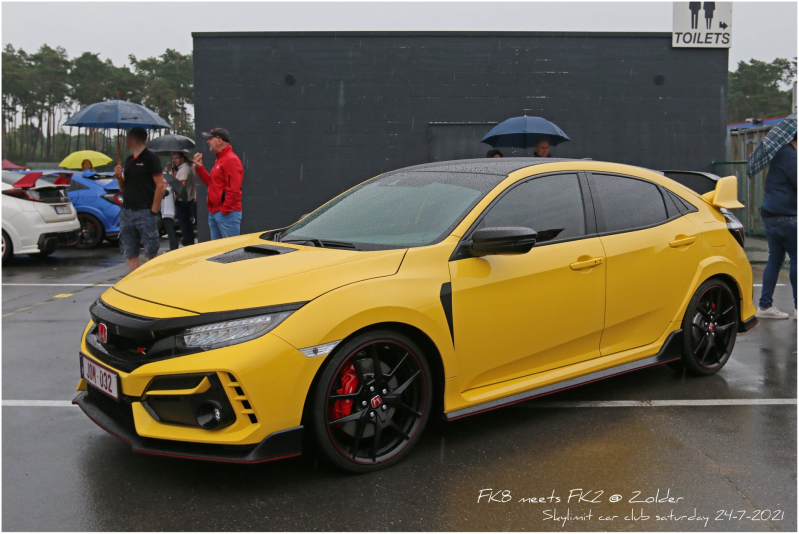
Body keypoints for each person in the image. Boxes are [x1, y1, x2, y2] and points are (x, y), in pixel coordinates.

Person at [756, 134, 797, 319]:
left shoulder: (781, 153)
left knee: (775, 259)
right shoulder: (790, 156)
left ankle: (764, 306)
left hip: (771, 215)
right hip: (786, 216)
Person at [114, 127, 166, 272]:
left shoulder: (151, 158)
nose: (125, 141)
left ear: (132, 139)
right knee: (130, 252)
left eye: (127, 138)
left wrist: (153, 211)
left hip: (145, 211)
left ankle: (153, 281)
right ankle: (134, 281)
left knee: (151, 252)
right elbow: (123, 188)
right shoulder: (129, 160)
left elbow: (160, 186)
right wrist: (119, 177)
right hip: (127, 211)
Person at [192, 128, 243, 240]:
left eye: (210, 138)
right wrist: (200, 168)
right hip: (217, 213)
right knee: (219, 250)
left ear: (219, 141)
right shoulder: (221, 159)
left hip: (226, 214)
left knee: (231, 249)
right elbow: (212, 184)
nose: (208, 141)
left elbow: (234, 190)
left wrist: (224, 211)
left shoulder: (230, 159)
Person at [171, 152, 197, 246]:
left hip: (182, 200)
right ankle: (189, 239)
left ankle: (187, 240)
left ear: (182, 158)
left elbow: (182, 183)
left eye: (177, 158)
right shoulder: (182, 169)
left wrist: (176, 196)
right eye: (174, 158)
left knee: (184, 222)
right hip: (185, 199)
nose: (175, 160)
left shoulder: (184, 169)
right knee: (185, 222)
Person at [160, 179, 179, 252]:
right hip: (164, 212)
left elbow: (164, 193)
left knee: (170, 231)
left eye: (164, 183)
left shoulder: (168, 189)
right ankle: (174, 246)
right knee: (169, 231)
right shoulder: (166, 190)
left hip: (168, 212)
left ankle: (173, 247)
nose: (163, 185)